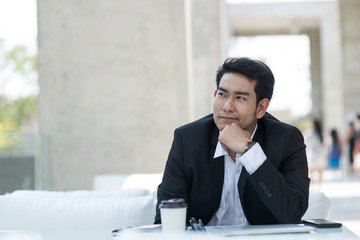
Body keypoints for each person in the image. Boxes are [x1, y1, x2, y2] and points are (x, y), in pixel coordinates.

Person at [154, 57, 310, 226]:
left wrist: (250, 152)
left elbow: (292, 213)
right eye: (222, 94)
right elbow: (166, 220)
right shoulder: (187, 140)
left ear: (261, 108)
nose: (227, 106)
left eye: (240, 98)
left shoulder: (287, 140)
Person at [304, 118, 326, 184]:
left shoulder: (311, 132)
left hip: (313, 152)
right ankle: (320, 185)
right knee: (320, 171)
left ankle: (313, 185)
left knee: (311, 170)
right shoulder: (321, 132)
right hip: (320, 152)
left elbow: (305, 139)